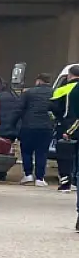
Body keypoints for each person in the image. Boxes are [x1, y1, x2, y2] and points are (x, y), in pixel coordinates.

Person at [14, 73, 55, 186]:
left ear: (38, 81)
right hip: (46, 127)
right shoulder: (54, 93)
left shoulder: (28, 93)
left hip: (28, 126)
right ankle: (40, 179)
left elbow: (19, 109)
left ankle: (28, 175)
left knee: (26, 151)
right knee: (42, 152)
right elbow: (56, 110)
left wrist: (14, 124)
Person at [51, 66, 79, 194]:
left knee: (64, 157)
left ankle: (65, 183)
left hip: (66, 126)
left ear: (69, 75)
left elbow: (52, 108)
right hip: (74, 125)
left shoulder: (62, 89)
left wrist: (56, 122)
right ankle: (75, 182)